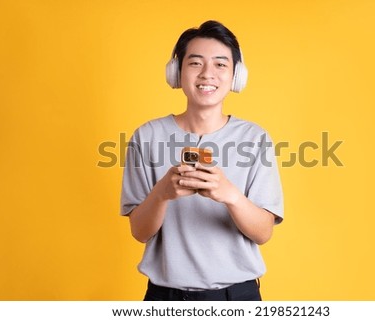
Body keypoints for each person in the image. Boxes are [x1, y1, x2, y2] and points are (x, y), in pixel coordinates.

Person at [120, 20, 284, 301]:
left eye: (220, 64)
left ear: (236, 76)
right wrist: (162, 193)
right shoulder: (146, 135)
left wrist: (230, 195)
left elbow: (263, 233)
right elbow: (139, 232)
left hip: (236, 296)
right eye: (195, 63)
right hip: (165, 297)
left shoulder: (255, 138)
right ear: (176, 72)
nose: (207, 74)